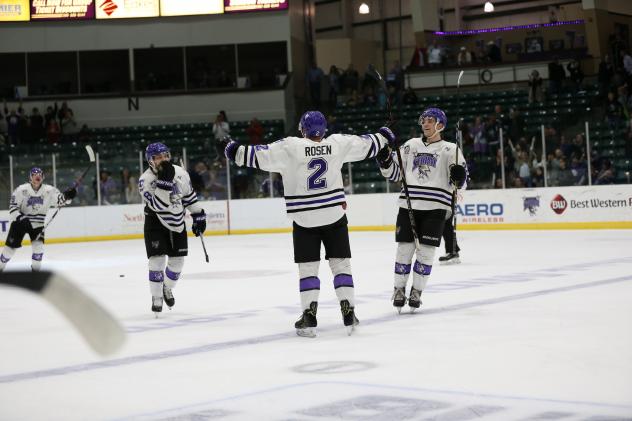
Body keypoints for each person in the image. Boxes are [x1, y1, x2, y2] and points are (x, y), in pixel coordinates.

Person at [223, 111, 393, 337]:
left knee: (308, 268)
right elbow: (366, 145)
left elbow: (258, 155)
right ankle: (348, 309)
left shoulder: (290, 147)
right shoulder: (337, 143)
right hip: (334, 215)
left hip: (304, 219)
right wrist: (384, 135)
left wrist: (233, 149)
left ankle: (309, 313)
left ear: (302, 129)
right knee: (341, 265)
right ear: (324, 129)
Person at [376, 108, 467, 312]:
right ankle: (399, 289)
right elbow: (395, 174)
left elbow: (461, 183)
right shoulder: (410, 145)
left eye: (430, 120)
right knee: (404, 250)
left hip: (436, 209)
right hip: (409, 206)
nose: (425, 124)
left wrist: (459, 178)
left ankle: (417, 292)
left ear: (440, 125)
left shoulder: (450, 149)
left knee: (425, 253)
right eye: (423, 120)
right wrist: (385, 160)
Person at [139, 143, 207, 315]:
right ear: (150, 161)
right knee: (157, 260)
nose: (163, 160)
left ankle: (166, 288)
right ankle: (156, 297)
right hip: (155, 220)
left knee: (178, 263)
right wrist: (164, 183)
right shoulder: (145, 180)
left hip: (177, 221)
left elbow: (189, 198)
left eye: (165, 155)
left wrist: (198, 215)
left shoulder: (181, 173)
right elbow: (158, 206)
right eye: (158, 157)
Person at [0, 168, 76, 272]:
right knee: (9, 251)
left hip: (38, 224)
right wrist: (20, 218)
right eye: (34, 174)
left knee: (38, 249)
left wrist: (68, 196)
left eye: (40, 174)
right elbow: (13, 208)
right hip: (20, 224)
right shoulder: (21, 189)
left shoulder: (50, 190)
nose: (37, 176)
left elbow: (61, 201)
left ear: (43, 177)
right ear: (30, 177)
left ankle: (35, 273)